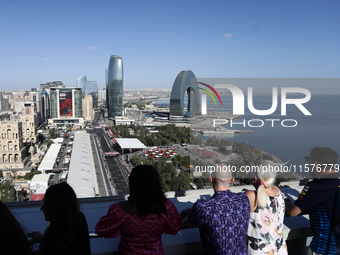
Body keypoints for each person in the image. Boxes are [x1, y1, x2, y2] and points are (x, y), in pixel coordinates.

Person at [95, 165, 182, 254]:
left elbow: (102, 229)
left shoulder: (120, 210)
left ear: (133, 184)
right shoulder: (166, 207)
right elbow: (175, 228)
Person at [181, 164, 250, 255]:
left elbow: (187, 223)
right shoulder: (243, 199)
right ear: (232, 180)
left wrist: (192, 212)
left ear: (211, 179)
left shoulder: (204, 207)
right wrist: (193, 210)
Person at [286, 147, 340, 255]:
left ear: (315, 163)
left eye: (308, 160)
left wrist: (287, 203)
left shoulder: (315, 187)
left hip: (324, 248)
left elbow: (292, 212)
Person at [28, 182, 91, 255]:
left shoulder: (53, 245)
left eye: (46, 205)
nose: (41, 208)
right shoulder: (79, 218)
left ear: (56, 208)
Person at [245, 159, 287, 255]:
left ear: (254, 178)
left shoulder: (251, 196)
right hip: (280, 248)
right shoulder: (278, 192)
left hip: (259, 249)